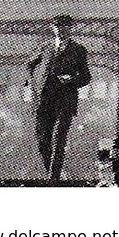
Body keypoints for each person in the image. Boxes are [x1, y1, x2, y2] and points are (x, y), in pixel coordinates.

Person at [27, 15, 91, 182]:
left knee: (58, 139)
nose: (61, 29)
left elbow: (86, 77)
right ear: (52, 28)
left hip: (65, 100)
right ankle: (53, 174)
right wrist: (34, 84)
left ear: (70, 29)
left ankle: (53, 179)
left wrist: (71, 80)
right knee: (42, 140)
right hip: (44, 101)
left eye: (65, 26)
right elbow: (30, 66)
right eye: (58, 26)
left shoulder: (79, 50)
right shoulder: (44, 49)